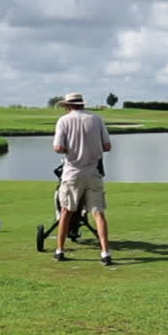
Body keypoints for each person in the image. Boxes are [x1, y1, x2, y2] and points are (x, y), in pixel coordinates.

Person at [52, 92, 113, 265]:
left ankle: (60, 251)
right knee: (98, 213)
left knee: (66, 212)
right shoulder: (97, 119)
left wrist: (71, 149)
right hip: (94, 173)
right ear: (82, 104)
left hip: (72, 173)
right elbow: (107, 146)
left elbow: (57, 147)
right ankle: (105, 253)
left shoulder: (63, 121)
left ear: (67, 106)